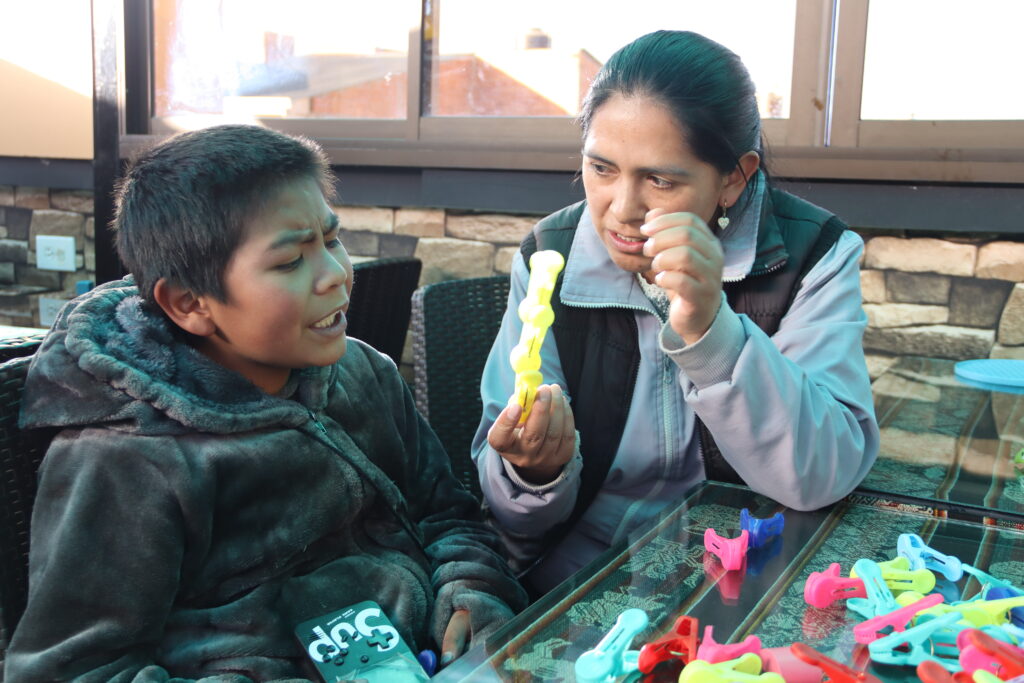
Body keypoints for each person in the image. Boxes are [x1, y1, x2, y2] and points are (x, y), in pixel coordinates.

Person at [6, 124, 527, 681]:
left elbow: (445, 513)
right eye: (288, 262)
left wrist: (469, 590)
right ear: (189, 303)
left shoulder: (364, 373)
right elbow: (72, 669)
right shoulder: (127, 460)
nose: (336, 275)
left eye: (331, 240)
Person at [472, 30, 880, 594]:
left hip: (746, 569)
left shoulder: (813, 255)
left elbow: (823, 473)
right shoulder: (551, 257)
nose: (621, 210)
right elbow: (508, 516)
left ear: (733, 178)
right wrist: (533, 473)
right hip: (579, 572)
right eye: (602, 168)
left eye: (660, 180)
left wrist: (711, 331)